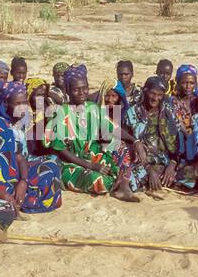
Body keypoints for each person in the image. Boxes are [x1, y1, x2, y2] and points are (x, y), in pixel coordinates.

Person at [0, 83, 62, 214]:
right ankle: (16, 201)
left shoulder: (3, 123)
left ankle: (20, 197)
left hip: (15, 177)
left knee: (51, 163)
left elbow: (19, 157)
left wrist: (23, 182)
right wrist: (0, 193)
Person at [47, 66, 140, 201]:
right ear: (68, 90)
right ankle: (121, 185)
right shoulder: (60, 113)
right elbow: (61, 151)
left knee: (124, 149)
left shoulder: (92, 107)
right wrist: (91, 166)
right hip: (71, 164)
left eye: (85, 88)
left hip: (92, 156)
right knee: (97, 179)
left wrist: (135, 141)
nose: (82, 92)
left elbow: (112, 127)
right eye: (76, 89)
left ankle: (121, 184)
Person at [127, 75, 183, 195]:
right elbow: (126, 140)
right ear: (145, 91)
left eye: (160, 95)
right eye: (152, 93)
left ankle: (161, 177)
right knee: (131, 179)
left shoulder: (168, 113)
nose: (155, 98)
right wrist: (149, 168)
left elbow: (178, 141)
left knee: (191, 174)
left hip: (166, 159)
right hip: (142, 160)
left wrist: (172, 164)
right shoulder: (133, 113)